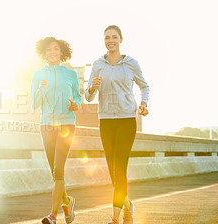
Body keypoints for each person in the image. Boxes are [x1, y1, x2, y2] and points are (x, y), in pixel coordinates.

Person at [85, 25, 150, 224]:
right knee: (112, 167)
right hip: (105, 120)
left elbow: (144, 86)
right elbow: (88, 97)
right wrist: (92, 88)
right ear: (103, 41)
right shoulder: (97, 64)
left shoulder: (131, 64)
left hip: (127, 120)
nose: (110, 40)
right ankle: (128, 205)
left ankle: (115, 217)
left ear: (121, 39)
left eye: (114, 37)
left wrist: (144, 103)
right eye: (107, 37)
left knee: (120, 166)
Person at [30, 37, 82, 224]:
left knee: (59, 171)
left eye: (56, 49)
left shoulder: (71, 74)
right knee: (55, 172)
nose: (52, 52)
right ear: (43, 53)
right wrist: (42, 89)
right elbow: (33, 104)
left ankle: (53, 215)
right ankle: (67, 203)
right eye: (49, 49)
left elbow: (77, 96)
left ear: (62, 53)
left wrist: (76, 104)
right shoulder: (38, 75)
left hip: (66, 124)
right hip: (46, 126)